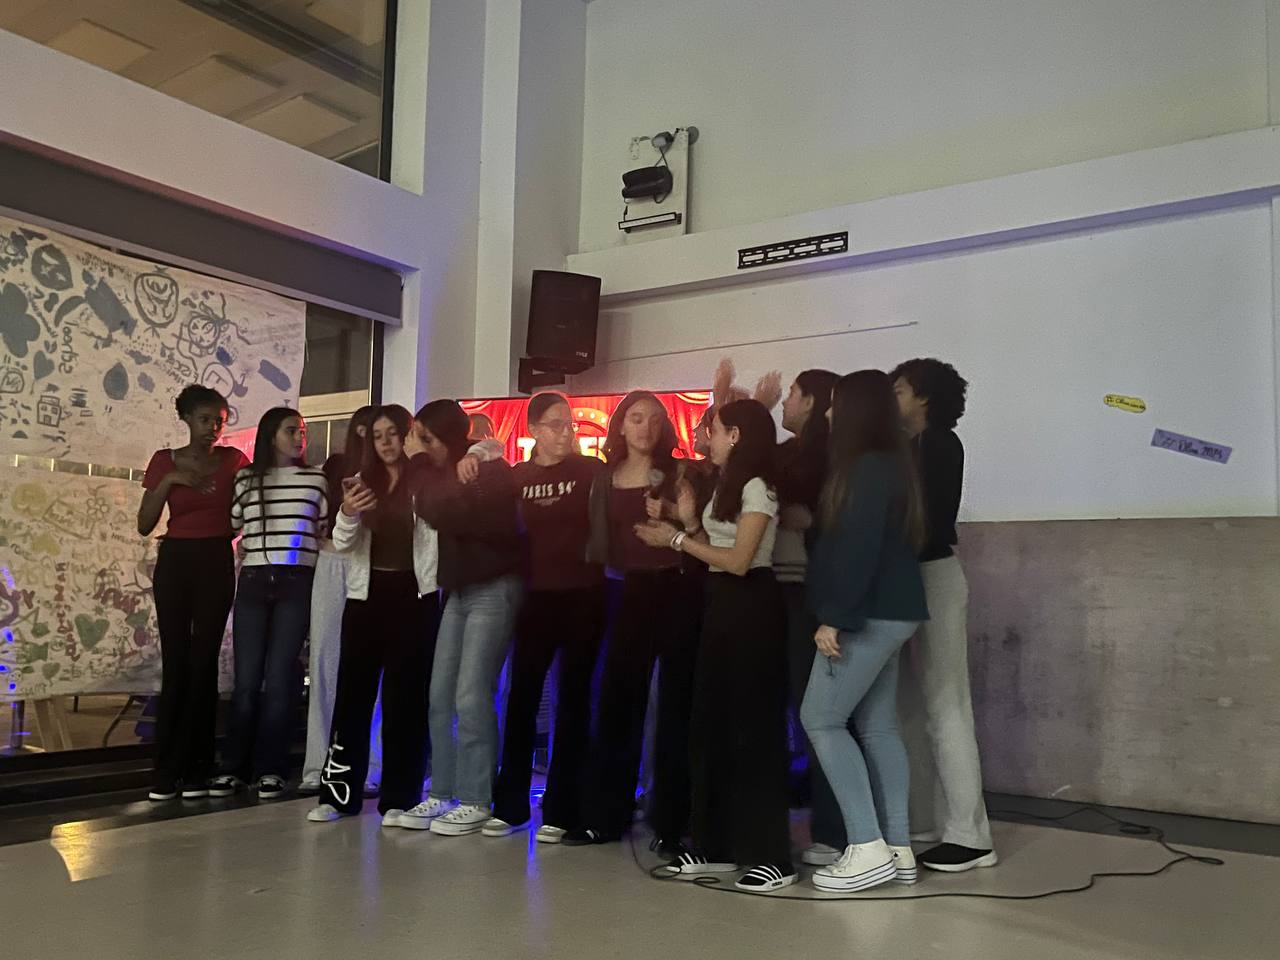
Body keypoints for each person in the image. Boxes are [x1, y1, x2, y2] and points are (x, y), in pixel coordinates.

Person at [636, 399, 797, 892]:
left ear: (737, 436)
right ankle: (715, 844)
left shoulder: (758, 486)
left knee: (753, 731)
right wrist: (688, 523)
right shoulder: (726, 484)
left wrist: (676, 542)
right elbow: (714, 549)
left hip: (752, 605)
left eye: (717, 429)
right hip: (720, 603)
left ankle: (772, 855)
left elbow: (741, 560)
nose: (709, 437)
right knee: (710, 726)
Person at [800, 370, 929, 892]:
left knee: (821, 718)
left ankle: (866, 847)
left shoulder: (868, 467)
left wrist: (836, 616)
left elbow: (859, 547)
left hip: (867, 614)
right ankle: (897, 848)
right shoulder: (894, 462)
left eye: (835, 405)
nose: (829, 414)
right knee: (877, 727)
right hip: (893, 611)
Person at [563, 391, 701, 852]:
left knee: (677, 705)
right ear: (620, 425)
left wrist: (675, 517)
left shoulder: (681, 473)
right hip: (626, 589)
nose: (646, 428)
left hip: (677, 588)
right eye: (637, 418)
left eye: (655, 420)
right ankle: (606, 815)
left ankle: (673, 821)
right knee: (618, 701)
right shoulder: (605, 477)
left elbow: (700, 529)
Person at [309, 405, 442, 826]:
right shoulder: (361, 481)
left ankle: (400, 797)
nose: (385, 443)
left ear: (407, 435)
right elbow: (343, 543)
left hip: (415, 596)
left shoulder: (425, 479)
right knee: (352, 696)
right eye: (378, 436)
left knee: (406, 700)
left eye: (392, 434)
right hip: (366, 596)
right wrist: (348, 512)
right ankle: (337, 796)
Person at [891, 358, 997, 873]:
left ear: (924, 397)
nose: (892, 398)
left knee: (947, 704)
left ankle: (971, 835)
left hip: (932, 575)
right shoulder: (910, 445)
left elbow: (927, 523)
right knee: (911, 706)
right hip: (912, 576)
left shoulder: (939, 444)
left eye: (900, 389)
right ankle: (925, 821)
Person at [485, 392, 605, 842]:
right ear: (534, 429)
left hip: (583, 594)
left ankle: (562, 809)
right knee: (522, 699)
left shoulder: (590, 471)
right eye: (555, 424)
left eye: (569, 424)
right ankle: (511, 804)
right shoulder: (520, 477)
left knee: (574, 700)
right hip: (535, 596)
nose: (565, 432)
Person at [410, 400, 524, 837]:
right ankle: (443, 791)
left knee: (472, 695)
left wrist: (421, 462)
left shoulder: (488, 470)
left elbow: (442, 511)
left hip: (494, 587)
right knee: (439, 695)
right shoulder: (450, 469)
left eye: (424, 438)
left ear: (441, 438)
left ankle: (476, 797)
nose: (419, 446)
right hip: (457, 591)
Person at [138, 385, 248, 802]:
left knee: (204, 664)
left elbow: (246, 510)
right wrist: (169, 481)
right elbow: (144, 524)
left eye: (219, 421)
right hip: (176, 560)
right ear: (186, 419)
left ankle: (199, 768)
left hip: (215, 558)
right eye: (204, 420)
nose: (213, 428)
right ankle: (166, 770)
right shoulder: (164, 461)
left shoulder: (234, 461)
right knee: (177, 663)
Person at [211, 407, 328, 801]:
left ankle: (271, 768)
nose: (299, 438)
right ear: (270, 435)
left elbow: (322, 530)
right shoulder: (247, 478)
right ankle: (233, 767)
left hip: (297, 580)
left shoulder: (316, 479)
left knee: (279, 676)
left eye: (302, 431)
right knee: (246, 680)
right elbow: (233, 524)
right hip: (255, 579)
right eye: (291, 430)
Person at [773, 369, 843, 866]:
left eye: (793, 394)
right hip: (780, 587)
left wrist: (809, 518)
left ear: (812, 401)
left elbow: (832, 522)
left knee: (818, 712)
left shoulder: (829, 455)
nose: (785, 402)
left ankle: (835, 829)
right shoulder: (790, 453)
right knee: (795, 708)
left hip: (809, 591)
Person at [300, 406, 383, 796]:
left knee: (371, 666)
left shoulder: (392, 471)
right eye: (364, 430)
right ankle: (318, 763)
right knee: (324, 661)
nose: (371, 438)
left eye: (381, 431)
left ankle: (371, 765)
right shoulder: (335, 467)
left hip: (373, 562)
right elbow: (319, 519)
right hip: (333, 560)